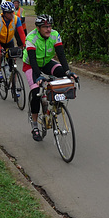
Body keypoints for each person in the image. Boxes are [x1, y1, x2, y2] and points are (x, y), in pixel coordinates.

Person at [23, 14, 77, 142]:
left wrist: (68, 71)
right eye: (45, 27)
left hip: (47, 62)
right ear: (38, 28)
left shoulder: (55, 34)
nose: (48, 29)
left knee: (63, 74)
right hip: (31, 65)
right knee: (36, 92)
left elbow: (61, 54)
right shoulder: (31, 37)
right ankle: (35, 126)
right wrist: (39, 76)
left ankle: (55, 104)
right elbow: (33, 60)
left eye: (50, 26)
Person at [0, 1, 26, 80]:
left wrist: (25, 45)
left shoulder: (16, 19)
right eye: (9, 13)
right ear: (4, 13)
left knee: (12, 62)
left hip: (9, 41)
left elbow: (21, 33)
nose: (12, 14)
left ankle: (15, 87)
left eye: (12, 12)